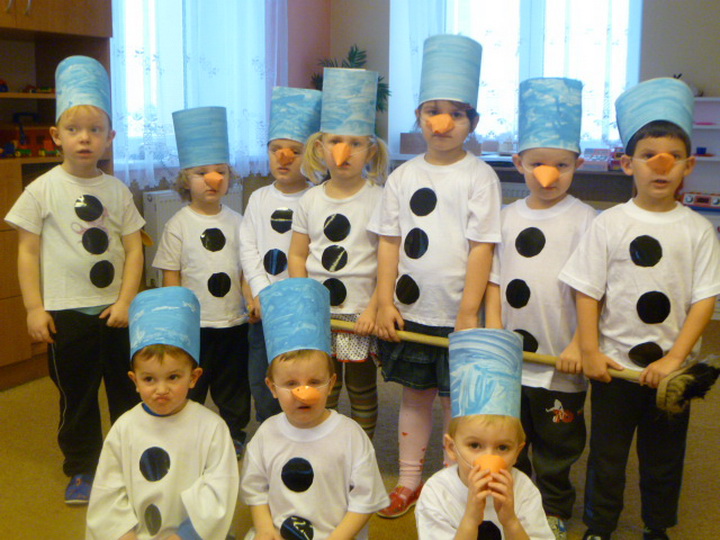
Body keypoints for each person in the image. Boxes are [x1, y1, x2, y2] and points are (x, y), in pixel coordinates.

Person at [559, 77, 720, 540]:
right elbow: (587, 291)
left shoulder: (698, 230)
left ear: (688, 165)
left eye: (673, 156)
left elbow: (704, 300)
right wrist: (590, 350)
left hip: (671, 374)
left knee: (664, 456)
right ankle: (599, 525)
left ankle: (656, 526)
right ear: (628, 164)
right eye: (649, 155)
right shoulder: (609, 224)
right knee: (607, 455)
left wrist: (674, 359)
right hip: (615, 367)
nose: (661, 165)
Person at [368, 34, 502, 517]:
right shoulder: (403, 176)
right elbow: (388, 241)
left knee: (455, 403)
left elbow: (483, 247)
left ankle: (449, 483)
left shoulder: (480, 176)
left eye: (456, 113)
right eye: (432, 111)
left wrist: (468, 313)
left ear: (473, 122)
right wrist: (385, 301)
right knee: (414, 395)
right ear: (419, 116)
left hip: (457, 316)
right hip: (412, 311)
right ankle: (409, 481)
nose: (442, 123)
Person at [4, 55, 144, 504]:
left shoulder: (117, 190)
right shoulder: (41, 189)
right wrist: (34, 307)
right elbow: (26, 251)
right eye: (74, 129)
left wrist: (127, 301)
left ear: (110, 138)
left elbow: (135, 249)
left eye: (95, 129)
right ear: (56, 136)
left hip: (116, 314)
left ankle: (129, 460)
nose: (85, 137)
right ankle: (83, 467)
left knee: (127, 390)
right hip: (66, 316)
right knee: (77, 396)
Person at [484, 78, 595, 539]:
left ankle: (553, 507)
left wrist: (579, 344)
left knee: (556, 445)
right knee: (511, 437)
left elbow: (594, 292)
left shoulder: (588, 221)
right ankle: (515, 504)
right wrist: (495, 333)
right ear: (518, 164)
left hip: (560, 361)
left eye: (562, 165)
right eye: (537, 164)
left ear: (578, 165)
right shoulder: (506, 218)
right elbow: (494, 280)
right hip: (512, 358)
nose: (549, 175)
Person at [86, 286, 239, 540]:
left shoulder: (211, 428)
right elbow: (108, 489)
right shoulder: (124, 428)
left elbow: (219, 488)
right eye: (149, 379)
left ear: (194, 377)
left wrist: (186, 535)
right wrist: (124, 532)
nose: (161, 390)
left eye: (173, 377)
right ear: (134, 380)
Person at [241, 278, 388, 540]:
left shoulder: (350, 435)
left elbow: (365, 499)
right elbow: (255, 488)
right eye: (290, 384)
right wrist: (264, 528)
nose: (303, 393)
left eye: (315, 382)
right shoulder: (266, 434)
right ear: (272, 387)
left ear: (331, 384)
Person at [288, 68, 389, 439]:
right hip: (319, 315)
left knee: (361, 387)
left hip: (360, 313)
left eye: (355, 143)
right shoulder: (309, 200)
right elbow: (297, 256)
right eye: (334, 141)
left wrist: (375, 308)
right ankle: (323, 445)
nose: (343, 152)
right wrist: (305, 302)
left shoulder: (380, 199)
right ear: (319, 147)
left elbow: (387, 263)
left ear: (370, 150)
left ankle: (361, 448)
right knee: (320, 385)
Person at [152, 106, 250, 457]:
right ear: (185, 180)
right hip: (194, 325)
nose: (213, 179)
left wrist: (251, 300)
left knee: (233, 384)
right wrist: (172, 319)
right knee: (192, 383)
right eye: (201, 173)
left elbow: (244, 270)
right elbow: (171, 275)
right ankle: (185, 432)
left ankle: (234, 433)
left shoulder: (238, 221)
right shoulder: (178, 224)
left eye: (221, 171)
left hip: (233, 321)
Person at [415, 328, 555, 539]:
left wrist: (511, 521)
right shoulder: (438, 492)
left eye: (503, 447)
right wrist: (471, 518)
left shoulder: (523, 489)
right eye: (475, 445)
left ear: (518, 452)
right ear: (451, 448)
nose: (489, 457)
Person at [239, 86, 322, 422]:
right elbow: (248, 249)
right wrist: (259, 293)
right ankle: (269, 430)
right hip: (264, 308)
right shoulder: (258, 198)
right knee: (263, 378)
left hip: (304, 310)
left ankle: (305, 429)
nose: (283, 158)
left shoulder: (317, 198)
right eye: (276, 150)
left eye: (295, 151)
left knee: (303, 376)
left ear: (312, 155)